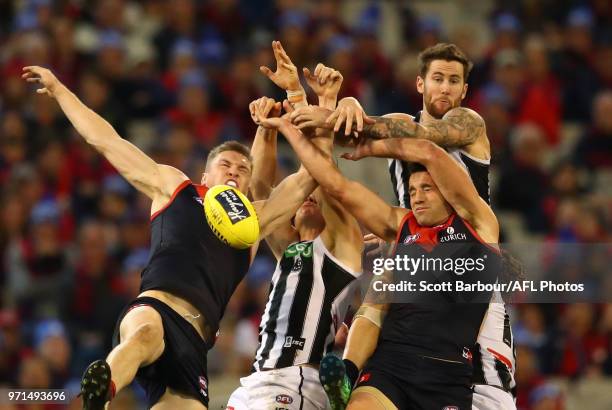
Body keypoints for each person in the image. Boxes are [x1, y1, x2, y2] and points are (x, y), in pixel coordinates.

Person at [22, 65, 319, 410]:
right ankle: (99, 394)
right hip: (156, 309)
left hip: (194, 343)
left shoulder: (254, 222)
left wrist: (298, 100)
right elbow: (106, 140)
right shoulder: (174, 187)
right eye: (225, 165)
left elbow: (306, 178)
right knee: (144, 337)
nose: (234, 171)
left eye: (242, 169)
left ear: (249, 183)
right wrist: (60, 89)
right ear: (206, 174)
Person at [290, 43, 516, 409]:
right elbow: (349, 138)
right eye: (437, 79)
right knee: (377, 300)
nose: (445, 88)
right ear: (419, 84)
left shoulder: (469, 123)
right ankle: (348, 371)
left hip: (468, 255)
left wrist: (358, 126)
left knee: (488, 385)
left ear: (464, 91)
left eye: (453, 81)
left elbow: (427, 144)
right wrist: (343, 105)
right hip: (415, 240)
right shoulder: (398, 124)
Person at [227, 60, 363, 410]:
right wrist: (266, 128)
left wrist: (313, 101)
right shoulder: (291, 249)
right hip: (257, 379)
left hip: (296, 378)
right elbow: (260, 192)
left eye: (310, 194)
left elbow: (324, 173)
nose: (303, 197)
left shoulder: (342, 246)